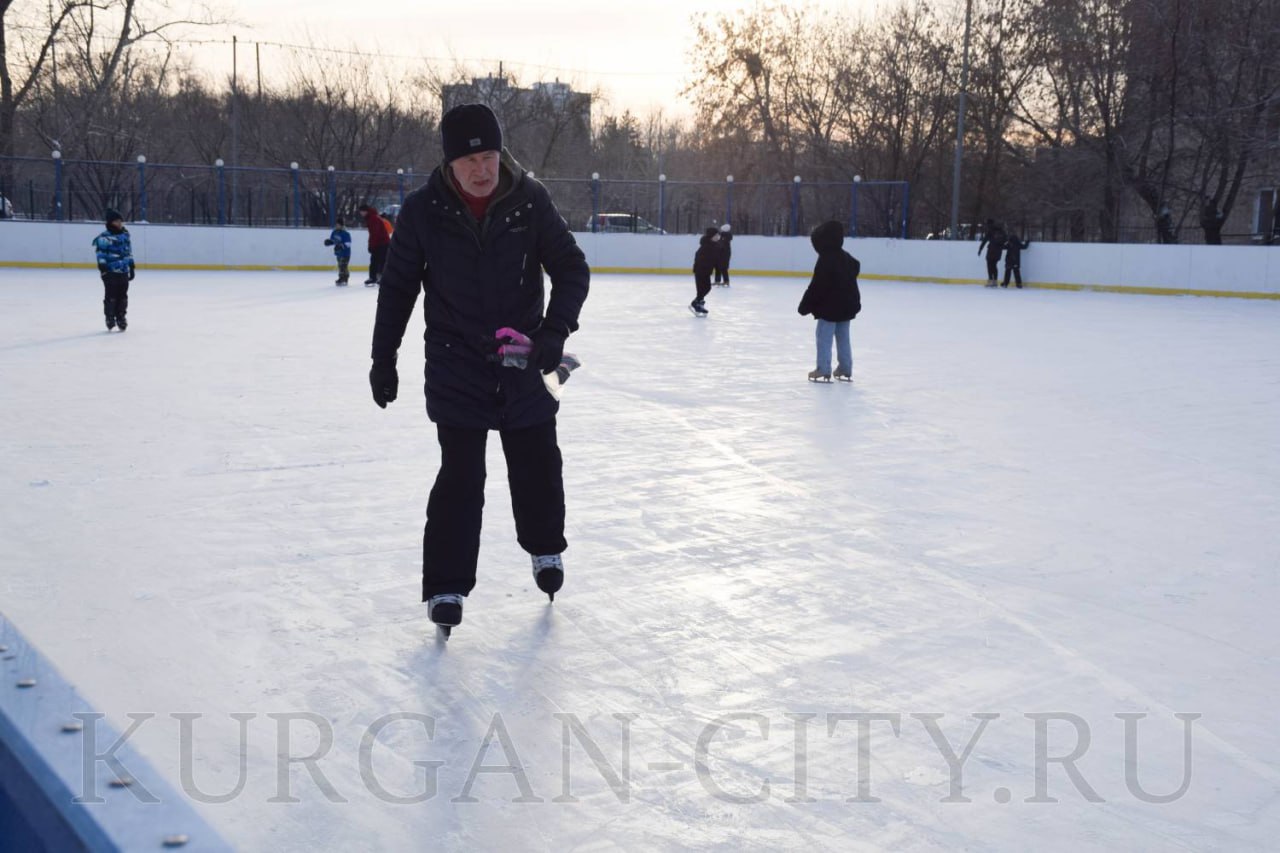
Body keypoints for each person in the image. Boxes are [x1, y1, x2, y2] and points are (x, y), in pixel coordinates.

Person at [369, 102, 590, 636]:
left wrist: (553, 334)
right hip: (456, 364)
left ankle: (545, 549)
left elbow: (570, 267)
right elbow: (398, 288)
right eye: (471, 161)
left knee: (538, 465)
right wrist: (384, 357)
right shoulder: (424, 211)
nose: (483, 170)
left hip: (524, 362)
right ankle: (446, 586)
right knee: (461, 478)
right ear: (450, 163)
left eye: (490, 156)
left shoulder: (529, 200)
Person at [797, 220, 861, 382]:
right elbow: (856, 267)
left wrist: (804, 306)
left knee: (823, 337)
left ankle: (823, 369)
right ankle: (845, 368)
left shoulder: (826, 259)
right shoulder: (846, 257)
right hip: (847, 307)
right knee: (843, 337)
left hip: (830, 309)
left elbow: (817, 286)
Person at [92, 209, 135, 331]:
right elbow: (101, 254)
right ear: (111, 222)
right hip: (110, 271)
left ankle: (121, 317)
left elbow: (129, 252)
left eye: (120, 221)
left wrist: (131, 266)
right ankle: (109, 317)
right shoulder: (104, 238)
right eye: (117, 221)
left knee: (123, 296)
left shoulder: (125, 236)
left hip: (123, 271)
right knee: (111, 295)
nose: (120, 223)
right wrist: (103, 268)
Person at [357, 203, 393, 285]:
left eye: (361, 212)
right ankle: (374, 277)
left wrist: (371, 246)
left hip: (382, 243)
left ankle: (379, 278)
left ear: (365, 211)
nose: (360, 214)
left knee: (379, 261)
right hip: (380, 242)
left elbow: (374, 233)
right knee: (376, 260)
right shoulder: (371, 217)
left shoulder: (373, 218)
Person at [690, 227, 719, 316]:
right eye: (716, 235)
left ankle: (698, 303)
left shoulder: (712, 245)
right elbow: (698, 256)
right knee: (702, 289)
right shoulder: (706, 246)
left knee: (706, 288)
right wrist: (701, 267)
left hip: (706, 271)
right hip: (701, 270)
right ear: (712, 236)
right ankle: (697, 303)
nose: (718, 236)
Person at [323, 217, 352, 285]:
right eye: (336, 224)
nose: (336, 226)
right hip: (338, 253)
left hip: (345, 253)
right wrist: (329, 242)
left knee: (343, 266)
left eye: (338, 225)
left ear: (341, 225)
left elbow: (348, 244)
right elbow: (333, 240)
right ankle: (345, 277)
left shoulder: (346, 234)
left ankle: (342, 278)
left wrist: (341, 246)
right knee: (340, 265)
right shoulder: (334, 232)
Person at [977, 218, 1006, 287]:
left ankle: (990, 280)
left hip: (991, 250)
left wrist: (980, 249)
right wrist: (1001, 247)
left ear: (989, 224)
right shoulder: (1001, 230)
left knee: (989, 265)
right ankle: (995, 281)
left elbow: (984, 240)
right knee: (994, 266)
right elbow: (1005, 239)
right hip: (998, 251)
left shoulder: (990, 231)